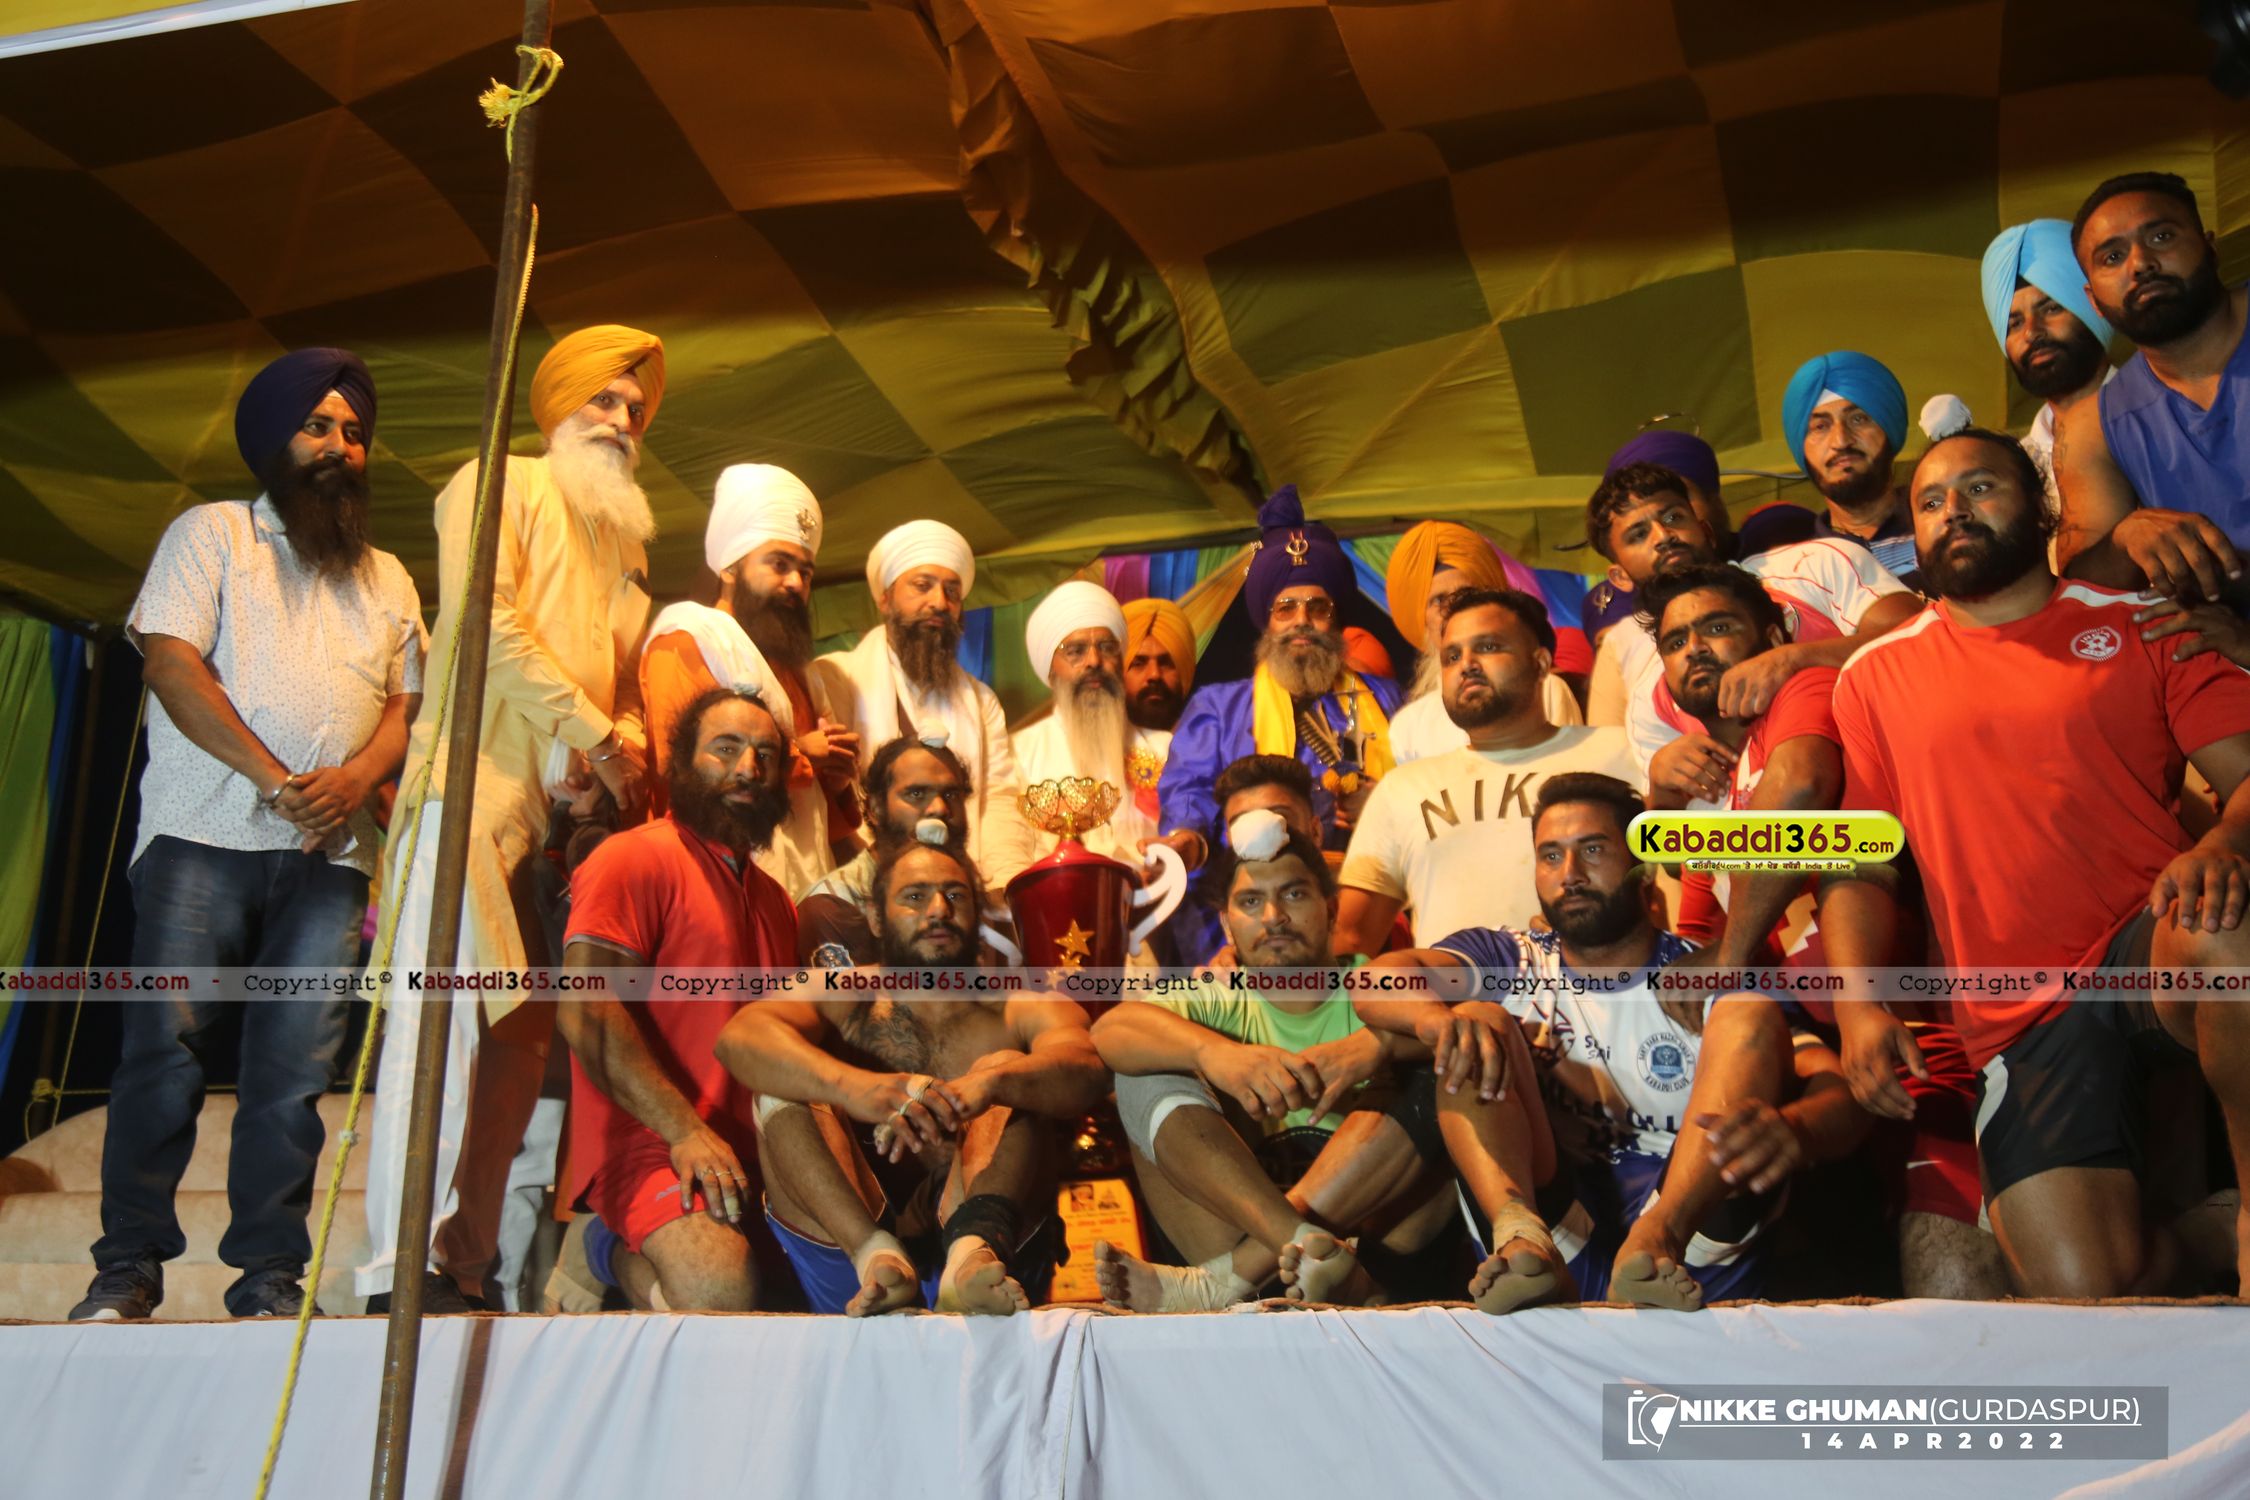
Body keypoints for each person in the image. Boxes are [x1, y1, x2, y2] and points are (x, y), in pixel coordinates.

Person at [1828, 426, 2250, 1298]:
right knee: (2080, 1294)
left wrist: (2221, 844)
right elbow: (1860, 862)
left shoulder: (2139, 622)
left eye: (1980, 488)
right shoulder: (1872, 677)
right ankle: (2212, 1230)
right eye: (1932, 501)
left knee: (2226, 931)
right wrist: (1860, 1004)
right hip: (2016, 1010)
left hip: (2148, 944)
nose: (1955, 511)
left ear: (2042, 506)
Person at [72, 349, 424, 1322]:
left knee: (294, 1075)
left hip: (330, 857)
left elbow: (407, 707)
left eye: (353, 432)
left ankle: (269, 1276)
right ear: (276, 438)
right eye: (318, 426)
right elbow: (172, 667)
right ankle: (127, 1268)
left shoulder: (388, 576)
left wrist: (355, 779)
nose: (339, 446)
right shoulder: (213, 533)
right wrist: (279, 782)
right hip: (201, 839)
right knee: (164, 1052)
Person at [360, 324, 663, 1313]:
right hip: (461, 802)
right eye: (602, 400)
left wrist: (606, 748)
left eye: (634, 408)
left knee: (518, 1051)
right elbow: (484, 625)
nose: (621, 420)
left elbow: (615, 679)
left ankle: (465, 1264)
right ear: (557, 407)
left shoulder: (621, 544)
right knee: (438, 1032)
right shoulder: (498, 483)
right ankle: (395, 1267)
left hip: (538, 831)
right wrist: (598, 736)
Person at [1638, 565, 2000, 1296]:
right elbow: (1698, 956)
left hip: (1912, 1042)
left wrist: (1730, 956)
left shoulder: (1804, 694)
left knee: (1954, 1281)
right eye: (1675, 641)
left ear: (1774, 637)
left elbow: (1802, 791)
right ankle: (1655, 1244)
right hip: (1820, 1075)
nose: (1695, 649)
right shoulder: (1709, 800)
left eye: (1717, 627)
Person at [1370, 774, 1865, 1308]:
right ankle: (1519, 1236)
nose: (1570, 874)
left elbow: (1841, 1096)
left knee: (1749, 1010)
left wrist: (1795, 1129)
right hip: (1555, 1234)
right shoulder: (1510, 958)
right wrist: (1435, 1023)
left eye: (1593, 850)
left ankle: (1658, 1236)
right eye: (1551, 856)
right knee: (1473, 1020)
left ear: (1641, 867)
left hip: (1692, 1244)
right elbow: (1377, 978)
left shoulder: (1704, 973)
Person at [1091, 820, 1564, 1312]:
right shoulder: (1215, 995)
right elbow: (1111, 1030)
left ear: (1331, 910)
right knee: (1142, 1067)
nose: (1273, 917)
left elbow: (1475, 1023)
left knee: (1453, 1047)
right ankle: (1296, 1248)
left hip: (1384, 1255)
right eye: (1251, 901)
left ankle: (1233, 1278)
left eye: (1293, 895)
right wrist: (1216, 1054)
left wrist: (1376, 1045)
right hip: (1238, 1245)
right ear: (1228, 925)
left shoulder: (1378, 982)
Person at [718, 841, 1106, 1314]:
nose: (939, 909)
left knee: (1013, 1069)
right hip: (857, 1251)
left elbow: (1087, 1068)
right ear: (877, 918)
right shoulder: (844, 992)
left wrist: (988, 1085)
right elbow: (740, 1037)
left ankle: (971, 1257)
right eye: (915, 896)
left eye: (955, 895)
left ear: (977, 914)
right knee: (782, 1082)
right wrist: (855, 1087)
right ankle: (877, 1259)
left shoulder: (1021, 1002)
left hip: (992, 1260)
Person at [555, 688, 798, 1310]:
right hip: (651, 1139)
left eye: (765, 754)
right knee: (718, 1287)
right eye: (726, 749)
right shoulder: (632, 858)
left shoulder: (776, 900)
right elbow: (586, 1011)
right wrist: (684, 1130)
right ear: (682, 761)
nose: (748, 768)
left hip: (749, 1153)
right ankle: (600, 1246)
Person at [1581, 461, 1920, 806]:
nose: (1663, 536)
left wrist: (1795, 658)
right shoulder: (1651, 700)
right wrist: (1662, 790)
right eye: (1638, 535)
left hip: (1908, 787)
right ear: (1619, 577)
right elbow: (1679, 833)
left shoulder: (1814, 564)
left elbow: (1918, 637)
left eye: (1673, 517)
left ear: (1705, 529)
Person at [1335, 587, 1635, 953]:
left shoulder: (1620, 753)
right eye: (1452, 656)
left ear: (1541, 663)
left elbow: (1696, 863)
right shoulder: (1403, 790)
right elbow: (1351, 937)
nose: (1467, 665)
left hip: (1608, 986)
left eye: (1489, 647)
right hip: (1454, 990)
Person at [1156, 487, 1404, 871]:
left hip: (1371, 889)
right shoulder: (1219, 708)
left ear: (1335, 619)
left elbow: (1426, 788)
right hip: (1256, 889)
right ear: (1267, 621)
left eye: (1318, 607)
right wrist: (1187, 837)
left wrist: (1385, 804)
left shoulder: (1388, 700)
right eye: (1285, 608)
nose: (1301, 621)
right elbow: (1189, 791)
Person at [640, 463, 856, 896]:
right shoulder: (688, 639)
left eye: (805, 572)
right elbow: (681, 772)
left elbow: (817, 817)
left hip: (804, 887)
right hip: (710, 883)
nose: (795, 582)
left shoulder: (798, 669)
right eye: (779, 564)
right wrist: (801, 757)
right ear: (729, 568)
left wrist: (834, 780)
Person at [2052, 172, 2250, 602]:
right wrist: (2125, 540)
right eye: (2112, 257)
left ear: (2210, 248)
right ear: (2093, 300)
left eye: (2161, 236)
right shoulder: (2093, 427)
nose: (2140, 264)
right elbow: (2083, 590)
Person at [810, 519, 1035, 888]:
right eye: (922, 586)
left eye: (952, 591)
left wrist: (1004, 889)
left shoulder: (981, 702)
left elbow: (998, 802)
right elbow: (831, 803)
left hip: (961, 889)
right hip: (865, 885)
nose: (939, 602)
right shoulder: (837, 678)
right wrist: (875, 885)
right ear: (885, 598)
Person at [1384, 520, 1582, 764]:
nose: (1453, 609)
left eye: (1465, 595)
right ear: (1422, 619)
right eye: (1439, 600)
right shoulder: (1409, 727)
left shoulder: (1545, 691)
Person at [1012, 580, 1170, 861]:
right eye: (1076, 651)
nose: (1094, 661)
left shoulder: (1165, 749)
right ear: (1050, 670)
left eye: (1107, 648)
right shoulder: (1018, 754)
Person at [796, 735, 970, 969]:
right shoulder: (833, 905)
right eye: (916, 794)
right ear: (875, 810)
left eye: (951, 795)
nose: (940, 809)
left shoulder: (967, 895)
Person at [1981, 219, 2116, 514]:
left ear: (2094, 306)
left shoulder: (2161, 417)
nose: (2032, 332)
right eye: (2014, 323)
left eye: (2052, 308)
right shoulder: (2018, 468)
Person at [1782, 352, 1922, 590]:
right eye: (1820, 426)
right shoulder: (1799, 576)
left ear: (1889, 429)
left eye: (1858, 419)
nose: (1841, 440)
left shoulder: (1945, 528)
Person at [1122, 596, 1195, 735]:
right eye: (1138, 664)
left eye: (1166, 663)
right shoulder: (1092, 744)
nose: (1154, 674)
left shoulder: (1210, 744)